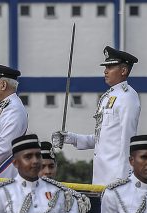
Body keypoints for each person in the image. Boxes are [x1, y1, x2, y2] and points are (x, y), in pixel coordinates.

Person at [52, 46, 140, 186]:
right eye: (106, 67)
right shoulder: (108, 96)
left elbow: (128, 139)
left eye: (111, 67)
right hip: (101, 175)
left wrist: (124, 177)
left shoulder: (127, 97)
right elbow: (104, 138)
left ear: (123, 70)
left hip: (116, 177)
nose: (105, 71)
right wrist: (72, 138)